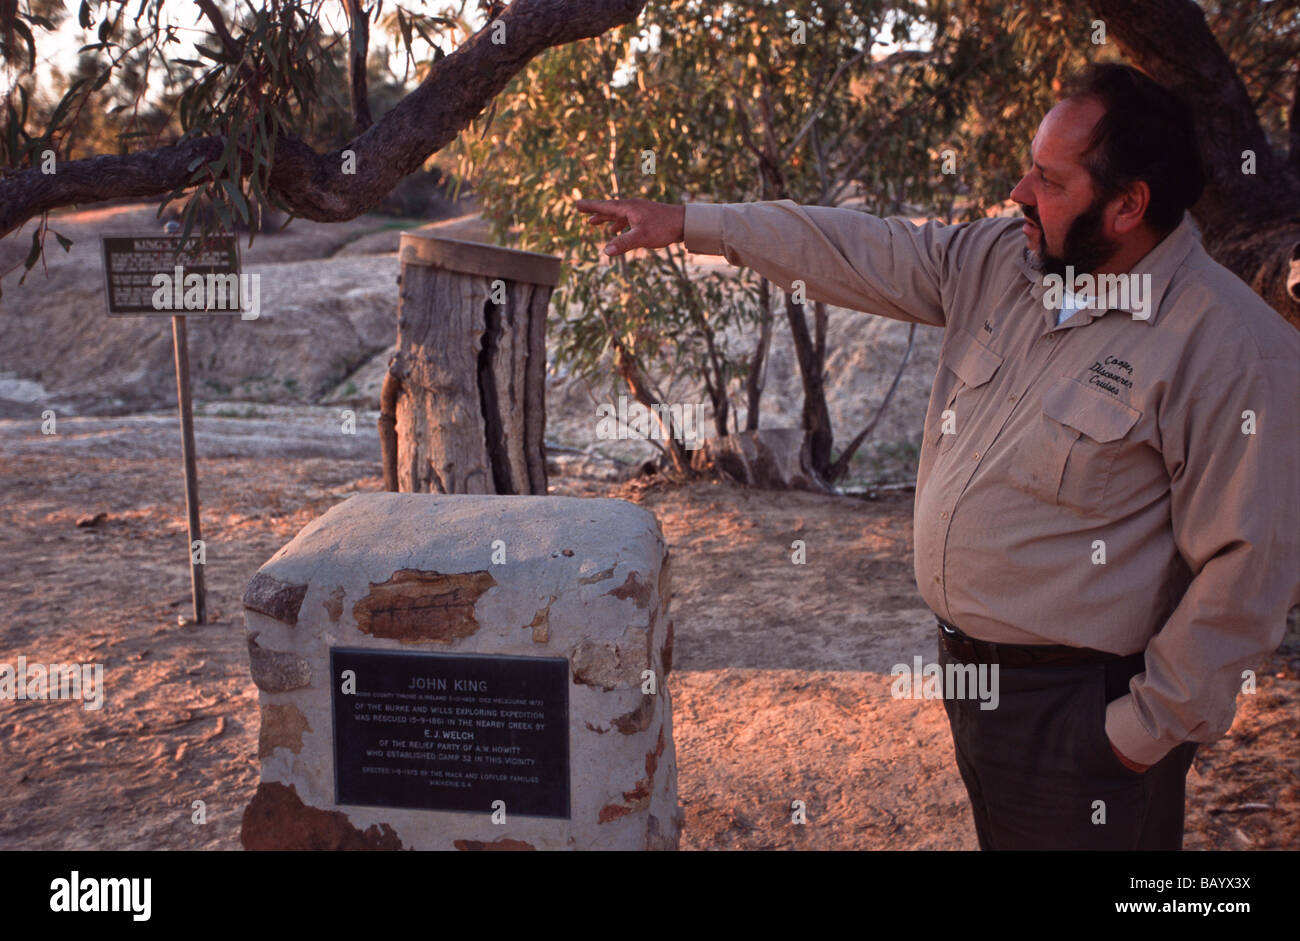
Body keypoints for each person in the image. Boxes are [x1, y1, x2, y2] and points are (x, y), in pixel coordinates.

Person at [574, 62, 1300, 850]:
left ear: (1129, 204)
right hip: (970, 677)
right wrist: (693, 222)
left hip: (1084, 709)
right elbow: (851, 246)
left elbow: (1248, 574)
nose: (1020, 192)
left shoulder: (1230, 346)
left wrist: (1138, 729)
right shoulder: (1001, 263)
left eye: (1050, 181)